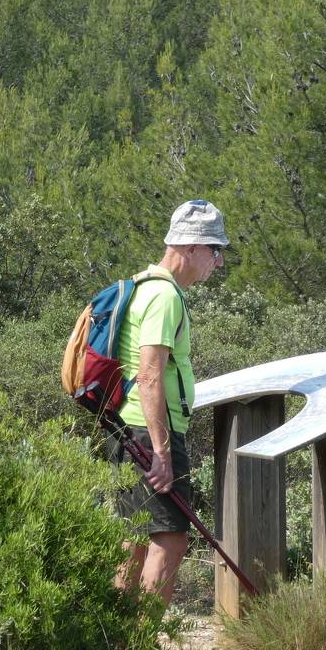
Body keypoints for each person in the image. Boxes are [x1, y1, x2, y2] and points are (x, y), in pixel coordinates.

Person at [109, 199, 228, 606]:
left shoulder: (142, 285)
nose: (218, 262)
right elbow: (150, 374)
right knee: (171, 537)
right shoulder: (165, 297)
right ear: (191, 247)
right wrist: (161, 453)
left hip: (127, 428)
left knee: (135, 535)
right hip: (150, 430)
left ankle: (118, 647)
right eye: (216, 251)